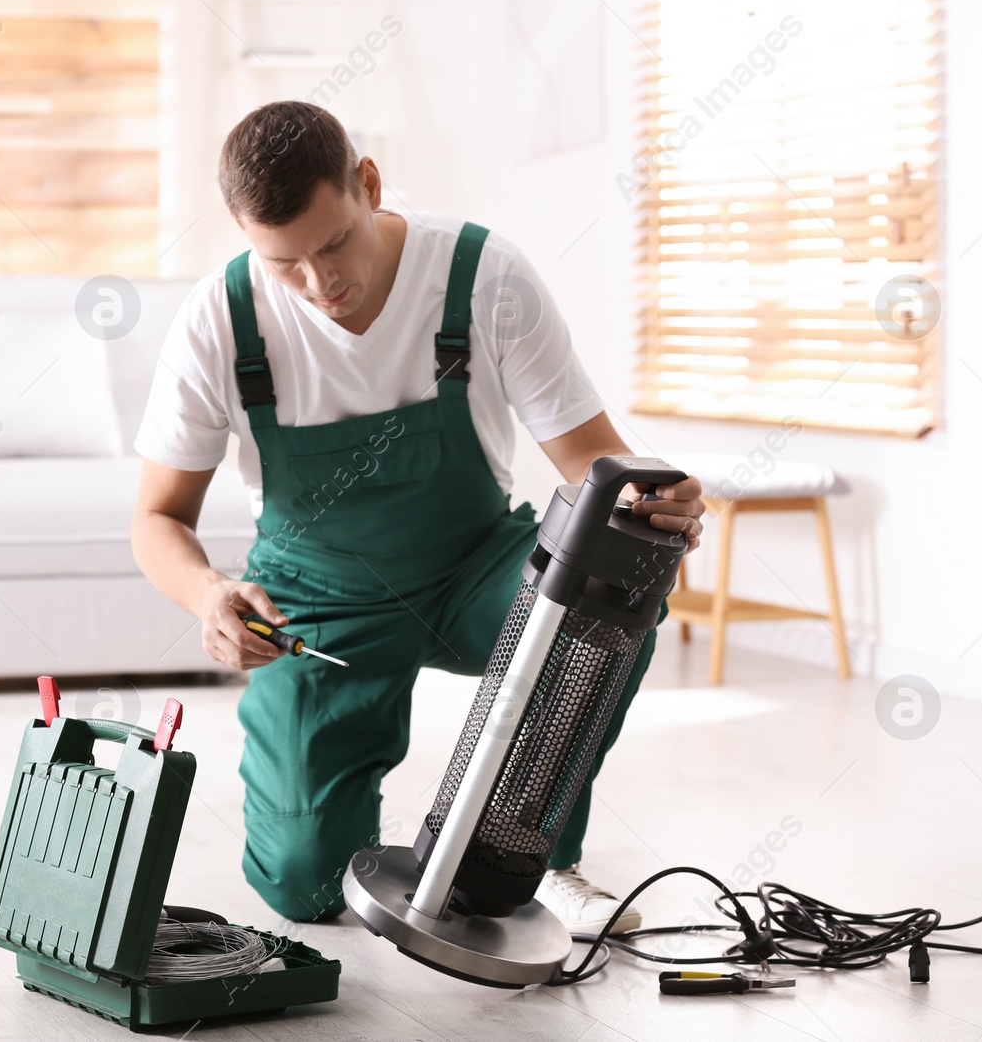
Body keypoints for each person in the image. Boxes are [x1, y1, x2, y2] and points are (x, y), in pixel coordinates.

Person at [131, 101, 704, 933]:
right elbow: (156, 516)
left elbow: (593, 463)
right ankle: (358, 839)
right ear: (244, 232)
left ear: (367, 184)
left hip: (474, 567)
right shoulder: (220, 317)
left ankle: (534, 857)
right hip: (316, 601)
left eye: (334, 244)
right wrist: (208, 595)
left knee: (610, 589)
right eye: (286, 261)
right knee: (306, 884)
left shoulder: (481, 276)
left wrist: (658, 503)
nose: (320, 284)